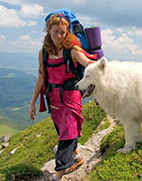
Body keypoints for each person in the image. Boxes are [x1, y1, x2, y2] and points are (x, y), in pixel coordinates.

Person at [29, 13, 96, 181]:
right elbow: (40, 78)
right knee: (63, 130)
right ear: (48, 31)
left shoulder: (72, 50)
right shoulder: (43, 53)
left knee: (67, 134)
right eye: (56, 32)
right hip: (53, 98)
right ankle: (78, 158)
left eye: (63, 32)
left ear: (67, 32)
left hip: (71, 96)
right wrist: (33, 103)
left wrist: (97, 66)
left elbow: (86, 62)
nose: (59, 36)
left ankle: (57, 176)